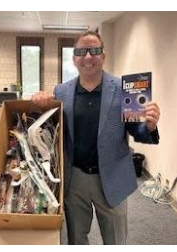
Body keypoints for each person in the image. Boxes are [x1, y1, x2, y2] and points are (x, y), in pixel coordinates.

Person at [31, 31, 161, 245]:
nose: (88, 57)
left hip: (112, 176)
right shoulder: (61, 91)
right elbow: (48, 132)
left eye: (95, 51)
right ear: (74, 59)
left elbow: (138, 133)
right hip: (75, 179)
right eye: (81, 52)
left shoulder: (125, 89)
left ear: (103, 56)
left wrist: (149, 126)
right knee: (76, 237)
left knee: (116, 239)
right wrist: (39, 104)